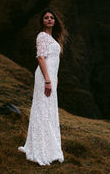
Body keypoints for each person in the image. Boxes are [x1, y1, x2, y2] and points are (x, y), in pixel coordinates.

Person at [18, 8, 67, 166]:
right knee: (42, 108)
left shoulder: (54, 39)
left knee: (49, 109)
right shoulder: (42, 36)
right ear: (42, 21)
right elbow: (40, 57)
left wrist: (55, 78)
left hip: (51, 77)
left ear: (55, 21)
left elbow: (55, 62)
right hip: (44, 77)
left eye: (52, 17)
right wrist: (47, 79)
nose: (49, 19)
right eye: (46, 17)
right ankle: (41, 148)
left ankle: (50, 147)